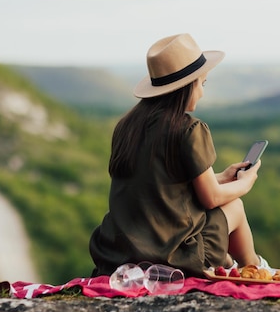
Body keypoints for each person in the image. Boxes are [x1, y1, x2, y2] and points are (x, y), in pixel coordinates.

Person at [89, 33, 270, 278]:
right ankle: (257, 270)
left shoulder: (126, 126)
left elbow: (161, 186)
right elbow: (211, 199)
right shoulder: (189, 129)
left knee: (217, 221)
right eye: (202, 84)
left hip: (121, 253)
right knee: (235, 206)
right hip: (170, 255)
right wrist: (244, 183)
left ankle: (239, 266)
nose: (202, 93)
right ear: (187, 85)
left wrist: (221, 176)